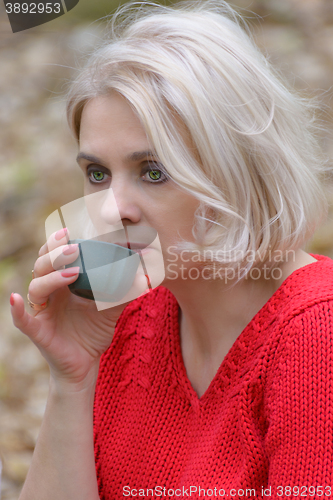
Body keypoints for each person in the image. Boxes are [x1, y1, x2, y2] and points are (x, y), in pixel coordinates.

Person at [10, 0, 333, 498]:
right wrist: (72, 376)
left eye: (153, 172)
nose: (112, 208)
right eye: (97, 173)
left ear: (239, 173)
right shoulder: (122, 313)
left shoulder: (315, 337)